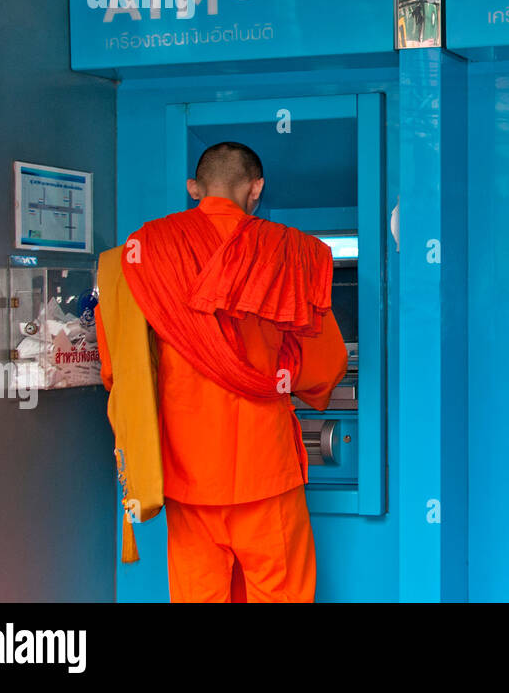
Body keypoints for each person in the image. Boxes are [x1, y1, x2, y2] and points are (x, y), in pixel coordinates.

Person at [95, 141, 347, 602]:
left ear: (194, 188)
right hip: (265, 470)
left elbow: (119, 369)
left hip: (187, 473)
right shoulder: (290, 252)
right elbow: (325, 363)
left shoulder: (142, 254)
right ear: (256, 188)